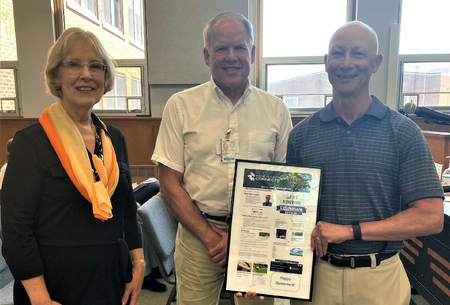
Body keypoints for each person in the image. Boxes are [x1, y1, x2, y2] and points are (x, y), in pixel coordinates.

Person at [285, 21, 444, 305]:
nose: (346, 63)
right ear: (326, 62)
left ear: (376, 62)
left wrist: (350, 231)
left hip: (380, 278)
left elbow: (430, 217)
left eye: (357, 53)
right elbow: (293, 213)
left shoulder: (404, 133)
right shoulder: (301, 136)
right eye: (338, 53)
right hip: (319, 277)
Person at [152, 11, 292, 305]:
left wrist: (245, 237)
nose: (231, 56)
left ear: (252, 52)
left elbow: (285, 186)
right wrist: (211, 237)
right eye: (221, 48)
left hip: (258, 237)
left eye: (239, 47)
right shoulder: (180, 106)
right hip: (198, 235)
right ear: (207, 55)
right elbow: (169, 186)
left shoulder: (276, 109)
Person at [1, 28, 145, 305]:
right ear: (56, 75)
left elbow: (127, 210)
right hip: (53, 287)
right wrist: (39, 298)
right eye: (74, 64)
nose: (86, 74)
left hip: (112, 279)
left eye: (96, 66)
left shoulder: (114, 138)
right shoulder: (30, 143)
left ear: (106, 77)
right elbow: (16, 232)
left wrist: (138, 264)